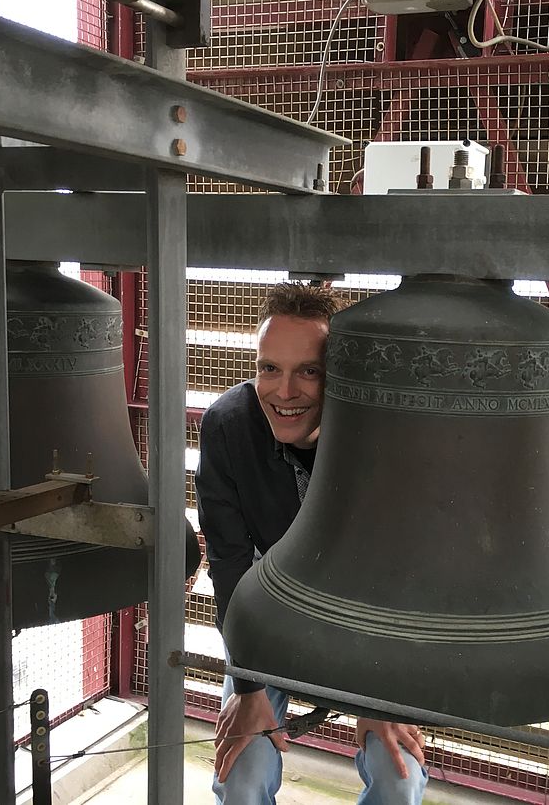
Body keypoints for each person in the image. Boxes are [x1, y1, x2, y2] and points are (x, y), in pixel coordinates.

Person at [195, 283, 428, 805]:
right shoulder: (228, 427)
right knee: (242, 774)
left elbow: (402, 572)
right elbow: (230, 566)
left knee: (398, 778)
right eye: (268, 368)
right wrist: (251, 689)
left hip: (367, 627)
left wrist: (382, 695)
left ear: (338, 375)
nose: (284, 390)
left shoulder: (381, 434)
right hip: (267, 624)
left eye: (308, 371)